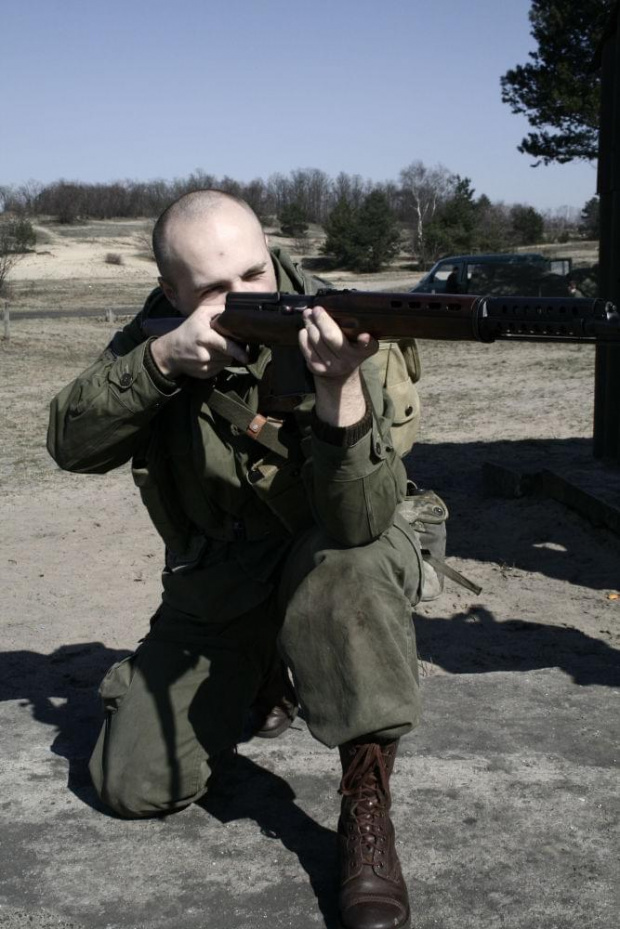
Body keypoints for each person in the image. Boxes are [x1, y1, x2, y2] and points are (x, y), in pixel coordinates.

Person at [48, 190, 423, 929]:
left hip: (331, 556)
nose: (247, 296)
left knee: (343, 567)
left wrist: (339, 387)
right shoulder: (156, 335)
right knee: (131, 784)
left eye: (255, 272)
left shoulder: (337, 325)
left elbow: (360, 520)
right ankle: (260, 677)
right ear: (170, 292)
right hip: (219, 587)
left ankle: (365, 806)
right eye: (215, 289)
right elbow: (69, 440)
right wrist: (160, 359)